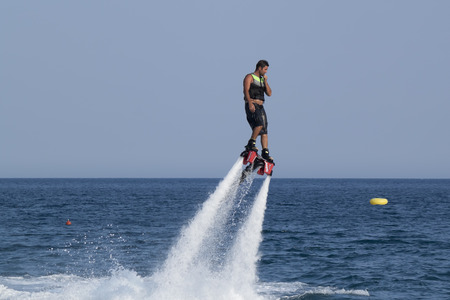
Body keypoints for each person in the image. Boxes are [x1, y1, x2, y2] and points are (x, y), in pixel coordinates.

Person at [243, 59, 273, 162]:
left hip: (261, 106)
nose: (266, 71)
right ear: (259, 68)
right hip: (252, 104)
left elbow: (269, 93)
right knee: (259, 124)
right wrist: (250, 103)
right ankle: (251, 143)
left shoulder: (262, 79)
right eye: (265, 69)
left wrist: (265, 81)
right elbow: (245, 90)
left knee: (264, 130)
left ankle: (265, 152)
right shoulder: (249, 77)